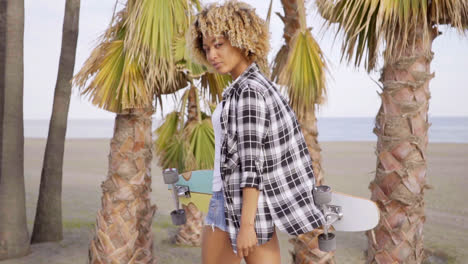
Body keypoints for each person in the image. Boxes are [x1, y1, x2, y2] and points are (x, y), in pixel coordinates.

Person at [188, 1, 325, 263]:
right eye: (206, 48)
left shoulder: (248, 92)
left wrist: (246, 225)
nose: (212, 55)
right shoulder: (255, 85)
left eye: (219, 45)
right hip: (256, 207)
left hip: (232, 205)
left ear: (241, 39)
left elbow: (252, 164)